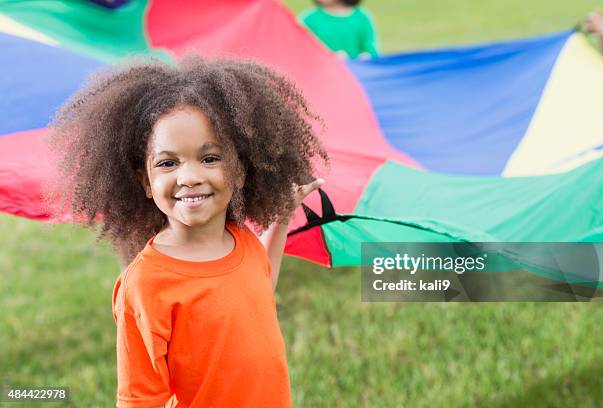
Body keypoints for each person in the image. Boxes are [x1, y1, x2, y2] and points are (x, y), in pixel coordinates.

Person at [46, 55, 328, 407]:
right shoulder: (146, 284)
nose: (190, 176)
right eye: (168, 163)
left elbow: (258, 289)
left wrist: (281, 218)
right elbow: (139, 399)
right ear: (145, 182)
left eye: (210, 158)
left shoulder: (240, 239)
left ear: (240, 171)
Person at [299, 0, 379, 58]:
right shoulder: (308, 19)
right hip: (319, 75)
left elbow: (371, 51)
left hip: (353, 75)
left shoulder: (362, 18)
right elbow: (301, 51)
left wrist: (364, 57)